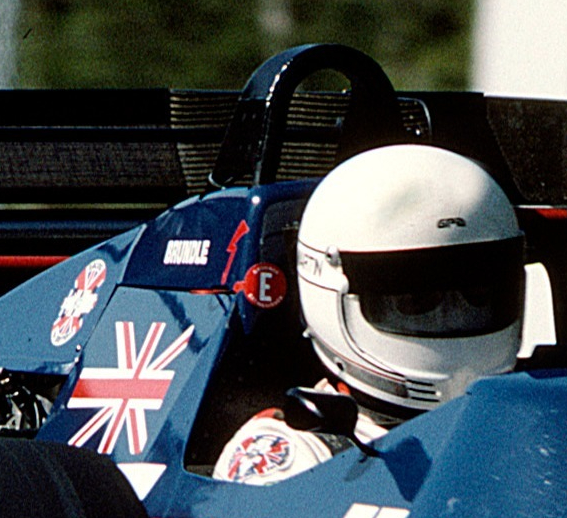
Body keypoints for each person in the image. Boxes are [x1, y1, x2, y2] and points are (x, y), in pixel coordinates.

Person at [214, 143, 525, 483]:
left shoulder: (535, 425)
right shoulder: (296, 456)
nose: (453, 316)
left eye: (478, 296)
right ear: (328, 289)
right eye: (418, 302)